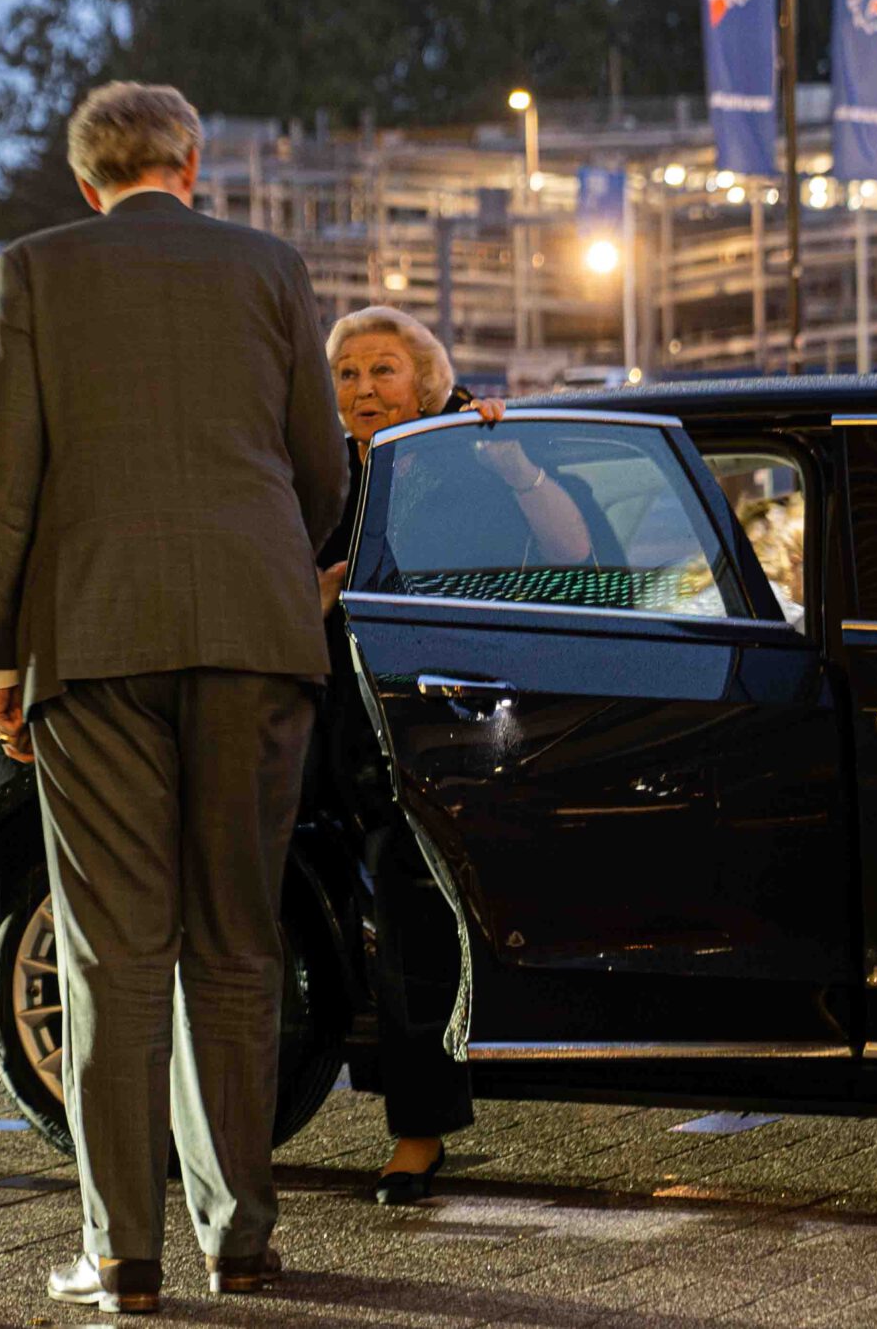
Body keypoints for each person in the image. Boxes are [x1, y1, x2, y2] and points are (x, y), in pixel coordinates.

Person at [0, 82, 349, 1315]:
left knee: (113, 953)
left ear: (88, 183)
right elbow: (321, 464)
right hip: (253, 632)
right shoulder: (270, 267)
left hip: (93, 639)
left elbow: (3, 480)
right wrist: (270, 561)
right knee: (237, 938)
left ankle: (122, 1254)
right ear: (191, 164)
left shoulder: (37, 269)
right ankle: (240, 1238)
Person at [313, 308, 590, 1206]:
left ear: (426, 382)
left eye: (383, 369)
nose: (364, 388)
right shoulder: (325, 478)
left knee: (413, 924)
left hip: (444, 732)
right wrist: (317, 592)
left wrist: (513, 462)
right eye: (348, 372)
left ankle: (418, 1130)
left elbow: (574, 548)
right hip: (337, 737)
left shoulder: (470, 447)